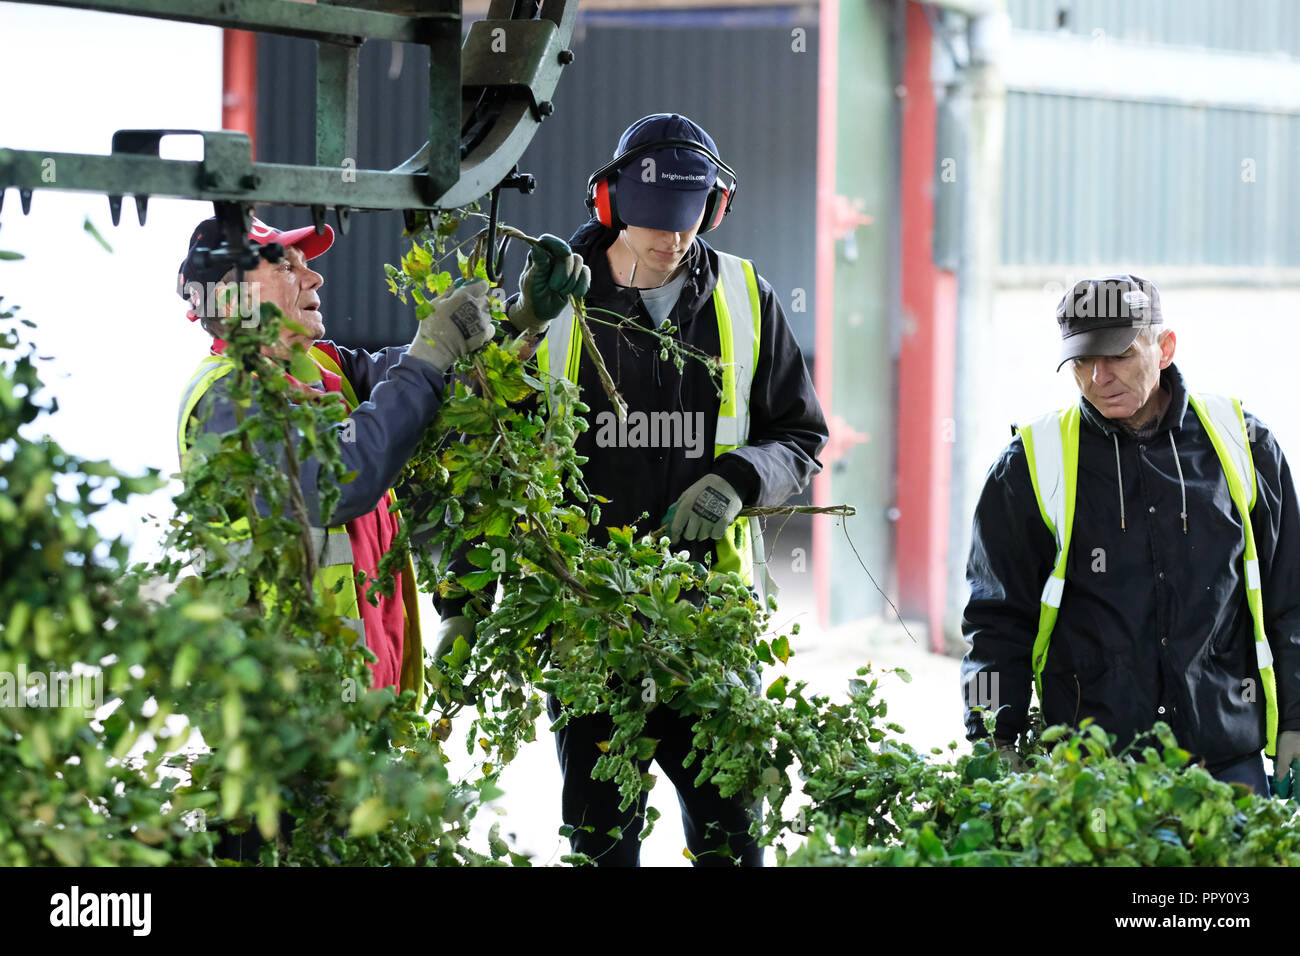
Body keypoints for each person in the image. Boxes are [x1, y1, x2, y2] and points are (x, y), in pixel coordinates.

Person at [436, 113, 828, 865]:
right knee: (600, 843)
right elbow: (489, 457)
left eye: (687, 222)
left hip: (708, 631)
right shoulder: (546, 306)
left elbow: (800, 437)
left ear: (714, 208)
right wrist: (462, 604)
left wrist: (739, 480)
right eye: (652, 222)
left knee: (732, 838)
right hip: (585, 626)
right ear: (609, 205)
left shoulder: (747, 298)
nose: (670, 240)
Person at [960, 274, 1300, 797]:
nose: (1099, 377)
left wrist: (1297, 720)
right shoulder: (1027, 466)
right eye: (1081, 360)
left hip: (1226, 765)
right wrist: (991, 742)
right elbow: (995, 622)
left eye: (1118, 354)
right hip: (1087, 773)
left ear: (1164, 348)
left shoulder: (1245, 446)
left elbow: (1290, 600)